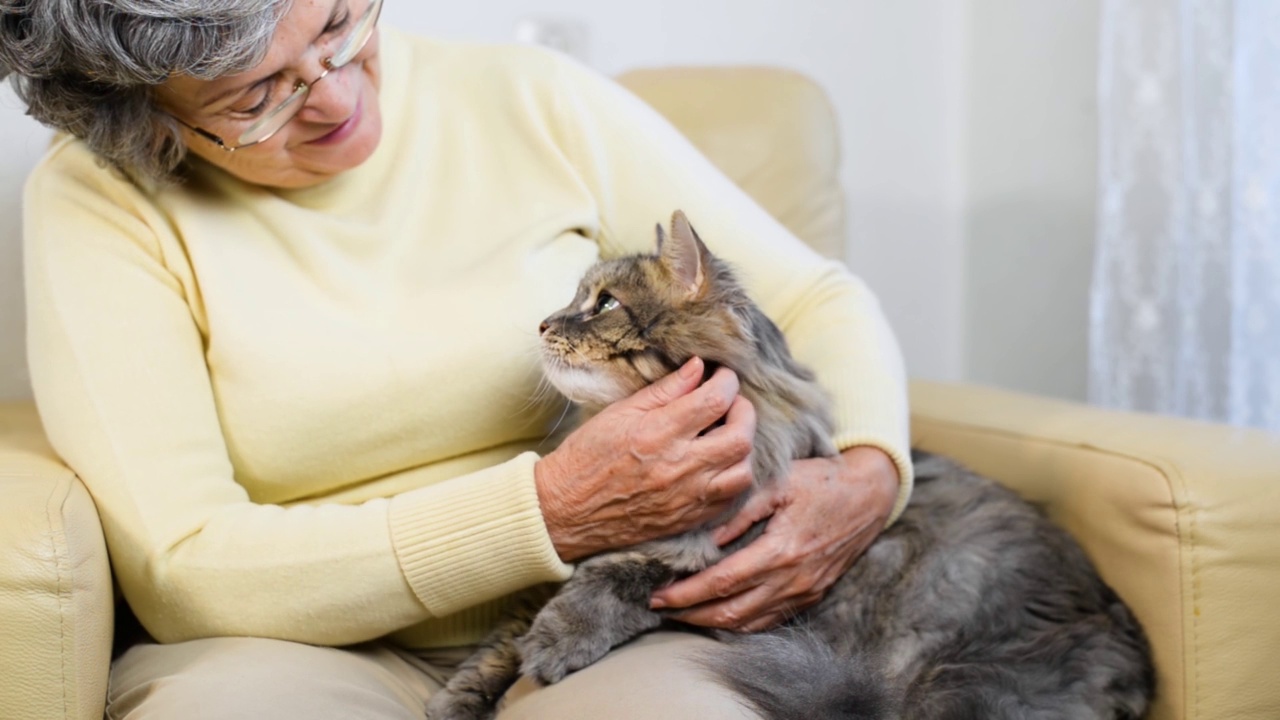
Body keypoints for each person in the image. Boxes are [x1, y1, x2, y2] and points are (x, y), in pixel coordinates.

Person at [2, 0, 914, 717]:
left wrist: (870, 471)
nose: (334, 96)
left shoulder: (529, 97)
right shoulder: (97, 199)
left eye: (337, 25)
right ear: (149, 125)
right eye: (256, 95)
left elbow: (815, 299)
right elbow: (182, 564)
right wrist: (547, 513)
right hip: (284, 646)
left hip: (619, 610)